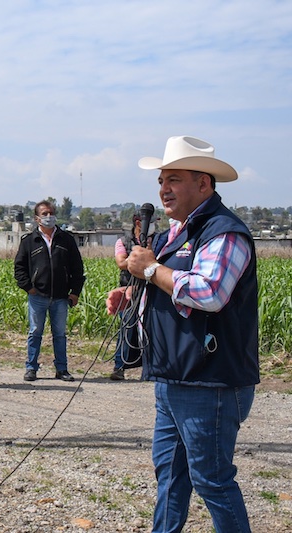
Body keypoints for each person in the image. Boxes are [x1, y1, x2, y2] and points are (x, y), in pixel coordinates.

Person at [106, 135, 258, 533]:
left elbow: (209, 292)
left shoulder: (224, 232)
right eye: (161, 181)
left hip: (210, 380)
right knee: (170, 478)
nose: (163, 189)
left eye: (173, 179)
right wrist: (130, 293)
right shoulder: (178, 232)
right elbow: (169, 284)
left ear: (204, 184)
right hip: (174, 374)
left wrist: (152, 271)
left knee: (212, 480)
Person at [14, 200, 85, 382]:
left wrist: (75, 291)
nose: (49, 217)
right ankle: (31, 368)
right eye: (44, 214)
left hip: (61, 297)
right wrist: (29, 287)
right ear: (37, 218)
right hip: (38, 296)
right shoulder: (29, 241)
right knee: (35, 332)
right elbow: (19, 268)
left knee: (60, 334)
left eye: (51, 213)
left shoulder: (66, 240)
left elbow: (77, 268)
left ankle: (61, 369)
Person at [110, 212, 154, 381]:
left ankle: (149, 369)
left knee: (151, 329)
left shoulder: (156, 240)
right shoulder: (123, 241)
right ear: (138, 222)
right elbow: (121, 263)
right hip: (128, 292)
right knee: (126, 329)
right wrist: (143, 260)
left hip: (151, 291)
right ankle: (119, 367)